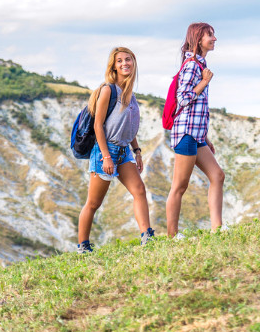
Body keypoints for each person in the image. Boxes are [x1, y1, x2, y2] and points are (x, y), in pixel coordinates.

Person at [76, 47, 153, 253]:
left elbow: (128, 127)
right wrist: (107, 157)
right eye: (119, 61)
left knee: (139, 190)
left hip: (124, 150)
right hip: (105, 150)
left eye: (128, 59)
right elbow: (98, 125)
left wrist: (136, 151)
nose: (124, 63)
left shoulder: (131, 95)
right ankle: (83, 246)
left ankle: (147, 236)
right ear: (114, 66)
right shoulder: (108, 90)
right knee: (93, 203)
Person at [165, 23, 225, 239]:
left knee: (217, 175)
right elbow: (183, 99)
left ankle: (218, 228)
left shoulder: (200, 64)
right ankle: (173, 236)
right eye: (210, 35)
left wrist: (206, 137)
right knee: (179, 186)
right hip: (186, 135)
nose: (214, 38)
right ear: (198, 39)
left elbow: (197, 109)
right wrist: (204, 82)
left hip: (197, 134)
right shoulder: (192, 66)